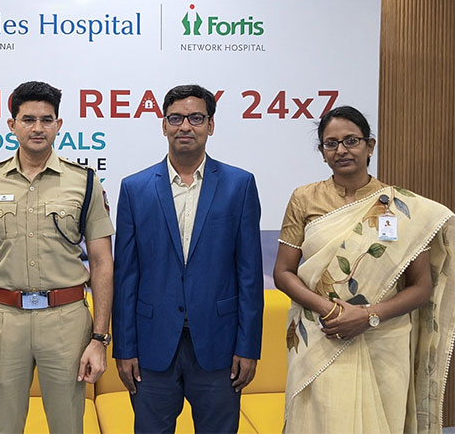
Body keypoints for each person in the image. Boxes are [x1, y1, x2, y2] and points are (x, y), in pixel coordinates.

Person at [273, 106, 455, 433]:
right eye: (331, 143)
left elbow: (421, 287)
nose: (341, 150)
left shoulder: (403, 208)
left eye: (351, 140)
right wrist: (330, 311)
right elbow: (283, 273)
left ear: (370, 146)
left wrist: (368, 316)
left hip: (383, 339)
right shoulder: (304, 198)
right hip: (322, 333)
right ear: (322, 152)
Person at [0, 81, 115, 433]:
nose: (37, 128)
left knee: (68, 426)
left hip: (66, 320)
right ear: (12, 125)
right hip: (4, 320)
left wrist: (99, 338)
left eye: (46, 119)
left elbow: (102, 261)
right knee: (3, 426)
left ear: (58, 124)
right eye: (28, 119)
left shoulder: (84, 181)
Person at [113, 84, 264, 433]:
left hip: (219, 345)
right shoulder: (135, 188)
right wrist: (124, 348)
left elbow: (249, 274)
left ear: (210, 125)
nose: (185, 126)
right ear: (163, 125)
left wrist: (248, 347)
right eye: (176, 118)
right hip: (151, 348)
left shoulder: (239, 185)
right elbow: (126, 277)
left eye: (196, 118)